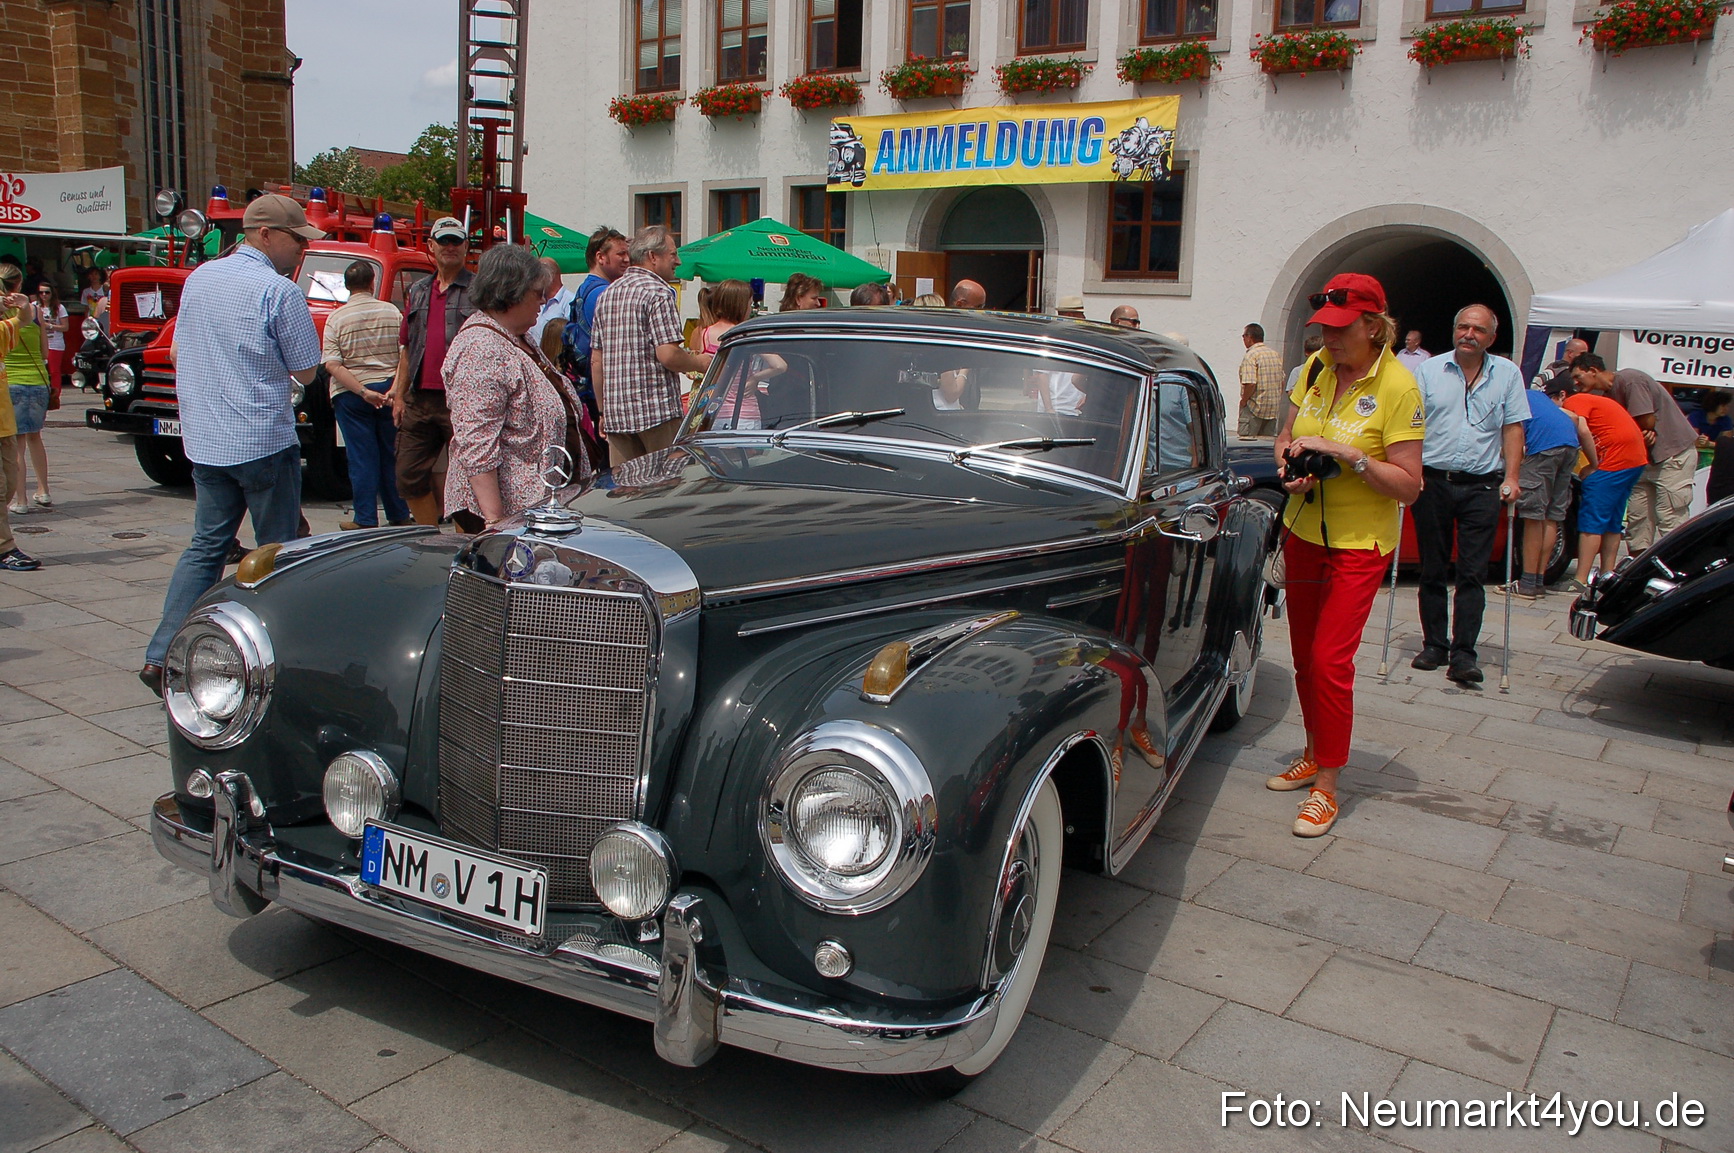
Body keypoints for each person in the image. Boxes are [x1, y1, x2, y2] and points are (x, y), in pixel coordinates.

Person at [139, 194, 325, 693]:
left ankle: (161, 655)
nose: (302, 249)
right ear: (265, 234)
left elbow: (177, 351)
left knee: (205, 548)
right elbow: (307, 370)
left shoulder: (200, 278)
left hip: (207, 440)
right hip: (261, 438)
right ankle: (275, 656)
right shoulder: (278, 290)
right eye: (296, 239)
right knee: (276, 554)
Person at [1267, 273, 1424, 838]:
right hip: (1305, 530)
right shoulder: (1315, 368)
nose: (1329, 339)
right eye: (1324, 329)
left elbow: (1409, 486)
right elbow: (1285, 437)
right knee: (1304, 658)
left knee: (1331, 661)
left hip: (1360, 543)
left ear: (1374, 327)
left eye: (1341, 329)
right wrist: (1289, 467)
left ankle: (1328, 786)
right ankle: (1314, 752)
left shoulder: (1399, 387)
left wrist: (1350, 455)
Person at [1409, 304, 1528, 683]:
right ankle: (1434, 644)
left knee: (1473, 573)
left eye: (1478, 330)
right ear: (1454, 330)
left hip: (1482, 484)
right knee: (1432, 567)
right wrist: (1410, 471)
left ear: (1491, 338)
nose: (1469, 335)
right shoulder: (1429, 370)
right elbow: (1412, 425)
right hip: (1434, 481)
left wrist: (1513, 476)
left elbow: (1513, 427)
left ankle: (1464, 654)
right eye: (1463, 327)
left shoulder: (1507, 373)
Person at [444, 244, 588, 530]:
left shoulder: (516, 336)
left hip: (534, 506)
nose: (543, 301)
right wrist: (495, 522)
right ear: (511, 293)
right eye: (537, 293)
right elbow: (477, 443)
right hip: (509, 515)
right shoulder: (481, 348)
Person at [591, 225, 711, 466]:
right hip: (656, 412)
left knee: (626, 484)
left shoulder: (608, 294)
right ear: (653, 257)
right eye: (673, 254)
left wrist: (602, 411)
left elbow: (597, 360)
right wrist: (699, 362)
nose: (678, 261)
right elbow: (668, 355)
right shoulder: (659, 292)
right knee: (665, 482)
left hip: (617, 414)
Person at [388, 216, 476, 526]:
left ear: (466, 246)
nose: (450, 247)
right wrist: (399, 395)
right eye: (444, 241)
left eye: (456, 241)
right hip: (420, 399)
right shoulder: (418, 290)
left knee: (468, 478)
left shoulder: (479, 290)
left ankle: (469, 541)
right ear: (431, 246)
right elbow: (407, 348)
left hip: (463, 399)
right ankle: (430, 537)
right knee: (407, 474)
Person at [1570, 354, 1696, 552]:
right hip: (1639, 461)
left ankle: (1677, 563)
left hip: (1672, 456)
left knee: (1670, 517)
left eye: (1578, 376)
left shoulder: (1630, 379)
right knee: (1638, 520)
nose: (1575, 383)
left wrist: (1638, 431)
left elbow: (1647, 421)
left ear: (1593, 371)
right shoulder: (1607, 398)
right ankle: (1637, 562)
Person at [322, 259, 411, 530]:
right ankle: (398, 512)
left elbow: (332, 364)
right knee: (390, 454)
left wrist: (362, 391)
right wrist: (394, 388)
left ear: (346, 286)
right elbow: (405, 353)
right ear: (373, 282)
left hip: (352, 396)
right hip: (388, 391)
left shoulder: (336, 318)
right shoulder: (392, 312)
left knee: (361, 457)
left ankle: (365, 518)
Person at [1555, 379, 1647, 591]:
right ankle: (1607, 575)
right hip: (1634, 460)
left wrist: (1593, 465)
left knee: (1592, 521)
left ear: (1561, 396)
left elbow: (1582, 429)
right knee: (1612, 521)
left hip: (1614, 460)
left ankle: (1580, 580)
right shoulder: (1596, 401)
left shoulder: (1574, 401)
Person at [1511, 387, 1597, 599]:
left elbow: (1513, 436)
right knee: (1552, 515)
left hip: (1543, 448)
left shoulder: (1509, 395)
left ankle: (1527, 583)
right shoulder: (1537, 395)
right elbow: (1574, 418)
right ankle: (1539, 580)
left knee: (1533, 515)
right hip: (1569, 445)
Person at [0, 270, 41, 570]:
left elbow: (24, 320)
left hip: (4, 423)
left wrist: (24, 305)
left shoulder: (3, 330)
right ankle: (5, 548)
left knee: (9, 485)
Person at [5, 278, 55, 514]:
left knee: (17, 444)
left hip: (12, 381)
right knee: (36, 438)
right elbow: (45, 352)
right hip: (38, 381)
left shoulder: (4, 315)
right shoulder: (35, 311)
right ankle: (44, 490)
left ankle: (21, 500)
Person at [701, 280, 775, 429]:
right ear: (741, 305)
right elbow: (779, 365)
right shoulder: (744, 334)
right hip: (745, 411)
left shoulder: (705, 333)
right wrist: (755, 378)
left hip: (713, 411)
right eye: (749, 304)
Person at [1237, 323, 1283, 438]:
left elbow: (1250, 383)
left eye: (1244, 336)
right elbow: (1281, 381)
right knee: (1265, 445)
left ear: (1250, 337)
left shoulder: (1251, 355)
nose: (1243, 339)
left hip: (1254, 408)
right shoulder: (1275, 354)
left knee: (1247, 442)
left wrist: (1244, 400)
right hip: (1272, 410)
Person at [533, 257, 573, 334]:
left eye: (537, 276)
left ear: (550, 276)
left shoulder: (570, 302)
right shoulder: (536, 300)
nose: (534, 280)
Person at [79, 267, 108, 336]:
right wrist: (87, 321)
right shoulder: (86, 291)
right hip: (91, 319)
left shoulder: (105, 289)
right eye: (91, 274)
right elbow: (86, 308)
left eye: (96, 274)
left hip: (103, 317)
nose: (94, 276)